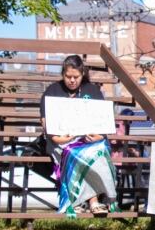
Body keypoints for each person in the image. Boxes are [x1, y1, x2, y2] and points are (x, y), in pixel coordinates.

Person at [40, 55, 117, 217]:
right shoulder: (52, 91)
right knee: (72, 152)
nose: (72, 80)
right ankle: (78, 201)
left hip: (88, 140)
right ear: (63, 74)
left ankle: (95, 200)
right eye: (68, 77)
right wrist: (59, 139)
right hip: (60, 141)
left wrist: (98, 136)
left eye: (76, 77)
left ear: (83, 75)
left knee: (95, 152)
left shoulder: (92, 91)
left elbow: (102, 122)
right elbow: (47, 124)